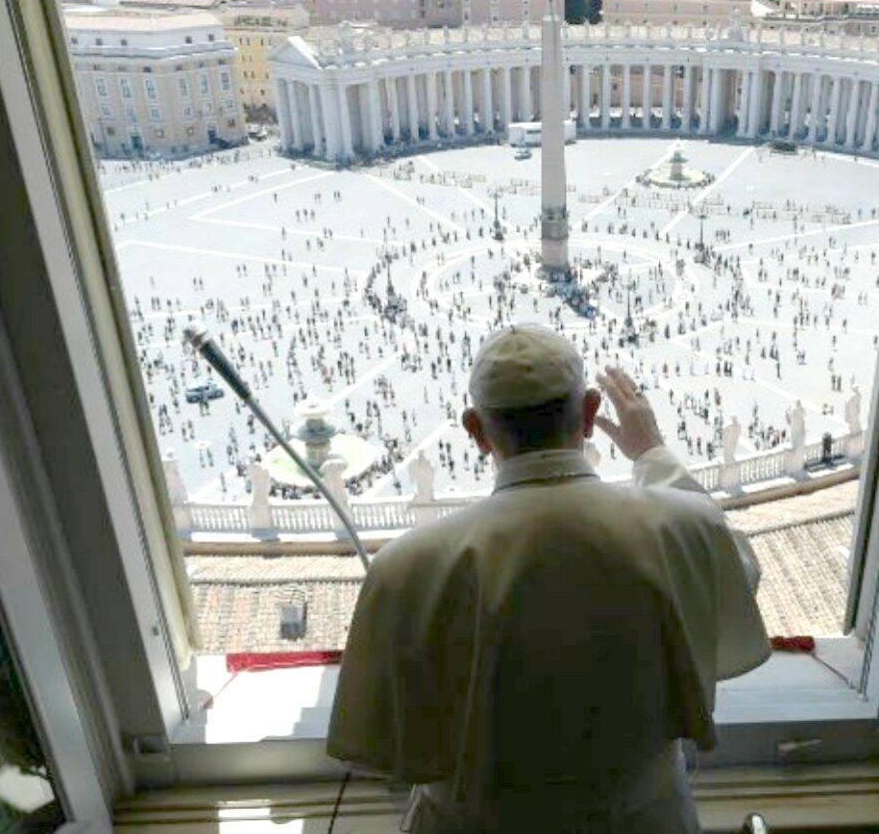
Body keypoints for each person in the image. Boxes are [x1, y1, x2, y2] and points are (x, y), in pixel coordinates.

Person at [327, 324, 770, 833]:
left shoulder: (405, 566)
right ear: (588, 413)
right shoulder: (685, 528)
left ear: (474, 429)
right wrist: (652, 454)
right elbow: (735, 580)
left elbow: (379, 745)